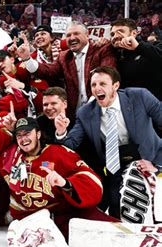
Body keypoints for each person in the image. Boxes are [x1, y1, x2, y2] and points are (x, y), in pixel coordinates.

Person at [0, 114, 118, 240]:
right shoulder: (10, 153)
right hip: (29, 220)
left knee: (111, 231)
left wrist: (66, 183)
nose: (23, 139)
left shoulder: (57, 153)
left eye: (27, 133)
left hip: (63, 214)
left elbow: (91, 180)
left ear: (38, 133)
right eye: (19, 135)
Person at [56, 66, 162, 219]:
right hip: (115, 169)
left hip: (152, 161)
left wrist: (157, 165)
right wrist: (61, 132)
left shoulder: (140, 96)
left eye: (102, 84)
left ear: (116, 86)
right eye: (93, 85)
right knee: (117, 216)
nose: (97, 88)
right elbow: (70, 145)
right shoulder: (85, 113)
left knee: (154, 215)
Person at [17, 21, 117, 116]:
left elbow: (108, 77)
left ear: (87, 35)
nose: (72, 38)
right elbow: (48, 71)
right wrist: (27, 59)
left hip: (102, 110)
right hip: (75, 115)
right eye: (68, 35)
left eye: (76, 33)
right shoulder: (64, 56)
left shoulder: (102, 49)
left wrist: (91, 105)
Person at [110, 18, 162, 100]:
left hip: (154, 107)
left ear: (134, 33)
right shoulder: (113, 54)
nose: (115, 36)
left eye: (120, 32)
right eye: (112, 34)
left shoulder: (151, 47)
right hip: (128, 107)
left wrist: (138, 47)